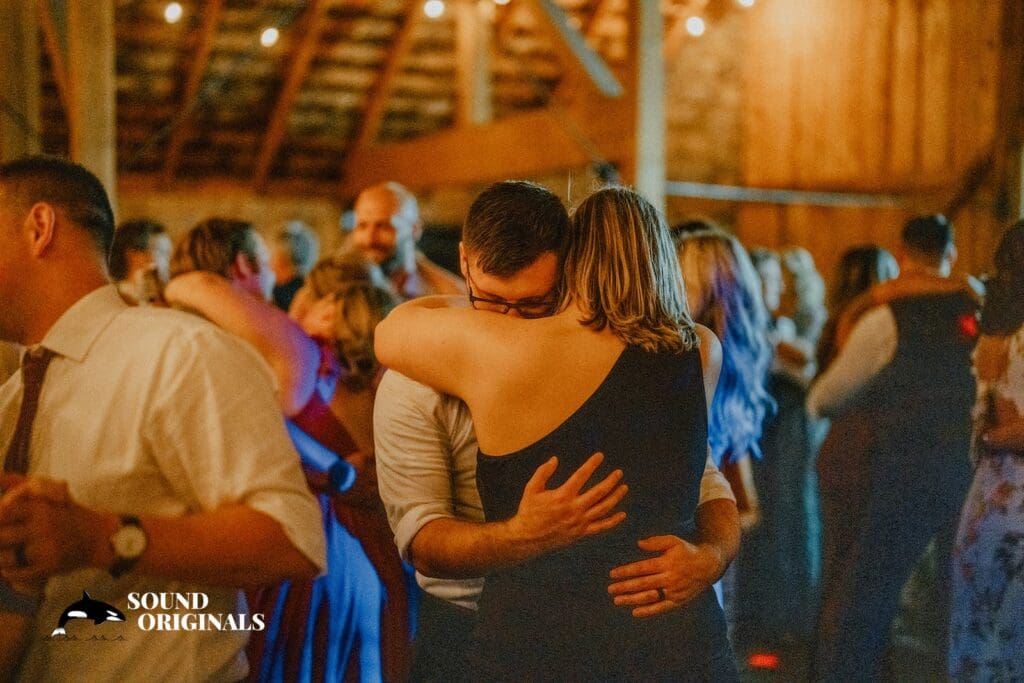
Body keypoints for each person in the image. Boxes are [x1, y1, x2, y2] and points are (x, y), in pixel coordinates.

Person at [375, 182, 740, 681]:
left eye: (530, 304)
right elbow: (420, 537)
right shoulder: (700, 349)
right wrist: (519, 535)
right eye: (493, 302)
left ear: (571, 265)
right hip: (674, 636)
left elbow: (389, 331)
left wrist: (713, 555)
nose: (509, 321)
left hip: (537, 637)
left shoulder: (488, 351)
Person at [0, 155, 325, 681]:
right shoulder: (15, 398)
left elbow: (292, 539)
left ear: (40, 228)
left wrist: (103, 537)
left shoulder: (179, 352)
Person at [166, 242, 410, 681]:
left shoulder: (306, 362)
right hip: (377, 554)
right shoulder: (394, 376)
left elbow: (195, 285)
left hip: (316, 551)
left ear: (330, 308)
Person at [807, 214, 979, 680]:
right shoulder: (982, 309)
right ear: (951, 254)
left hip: (905, 467)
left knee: (869, 595)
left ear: (903, 253)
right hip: (973, 472)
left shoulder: (886, 314)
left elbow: (826, 397)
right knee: (957, 598)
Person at [812, 244, 899, 660]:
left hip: (838, 451)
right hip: (861, 453)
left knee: (837, 564)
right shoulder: (869, 323)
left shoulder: (836, 322)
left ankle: (828, 659)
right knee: (854, 569)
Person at [949, 220, 1024, 680]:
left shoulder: (992, 341)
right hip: (1019, 499)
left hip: (986, 500)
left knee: (982, 637)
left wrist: (988, 438)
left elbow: (989, 423)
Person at [349, 182, 465, 299]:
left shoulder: (451, 296)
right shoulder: (339, 289)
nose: (369, 240)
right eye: (362, 226)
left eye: (384, 226)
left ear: (415, 229)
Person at [107, 218, 172, 305]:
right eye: (162, 253)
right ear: (134, 256)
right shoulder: (116, 300)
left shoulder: (163, 300)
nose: (170, 261)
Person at [270, 220, 319, 312]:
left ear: (282, 260)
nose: (270, 262)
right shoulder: (279, 286)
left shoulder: (292, 293)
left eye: (274, 254)